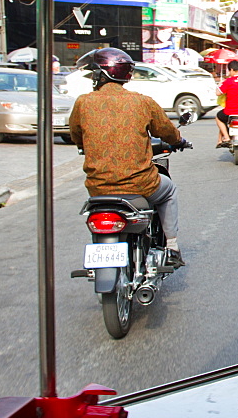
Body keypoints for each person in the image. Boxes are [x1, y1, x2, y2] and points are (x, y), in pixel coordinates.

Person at [69, 48, 187, 268]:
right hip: (141, 185)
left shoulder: (83, 102)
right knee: (169, 191)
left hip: (98, 188)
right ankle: (171, 246)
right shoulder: (142, 102)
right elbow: (167, 132)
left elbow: (76, 135)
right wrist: (178, 141)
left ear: (98, 75)